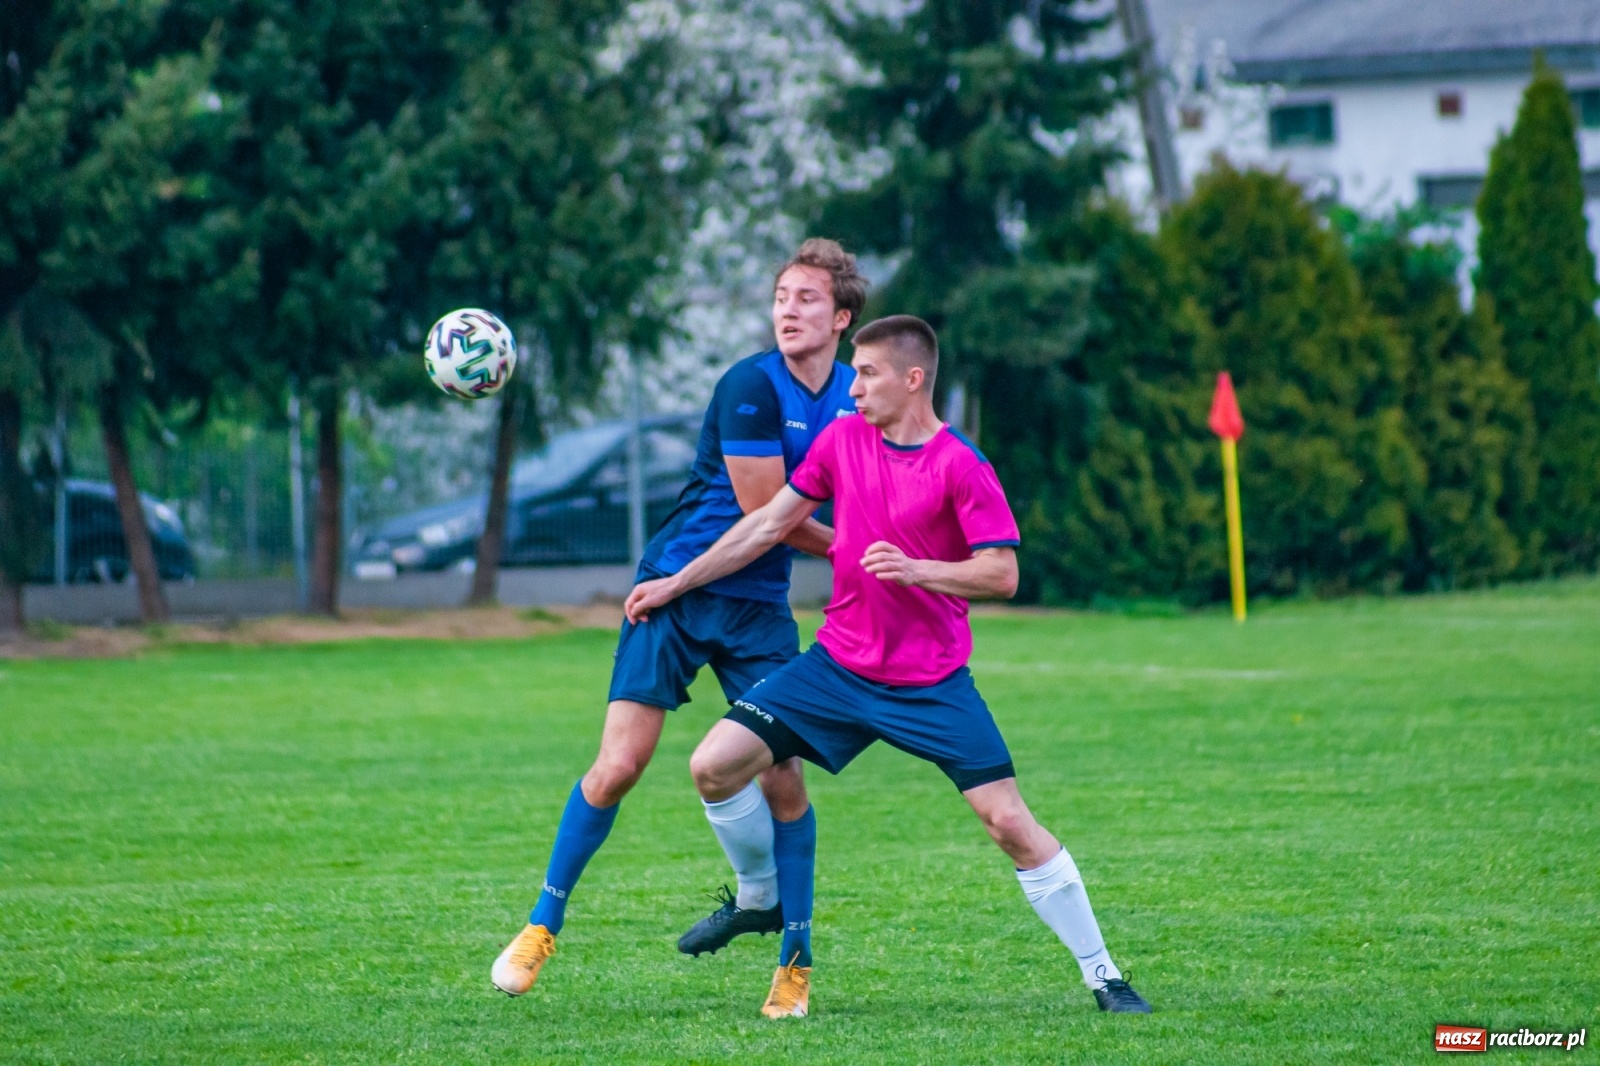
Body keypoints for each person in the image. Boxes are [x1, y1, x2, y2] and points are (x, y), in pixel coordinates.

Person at [623, 315, 1153, 1019]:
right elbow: (765, 524)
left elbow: (1001, 575)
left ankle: (1104, 974)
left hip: (930, 683)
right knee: (714, 764)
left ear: (913, 379)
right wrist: (675, 582)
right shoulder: (842, 442)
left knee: (1008, 823)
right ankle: (761, 897)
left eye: (867, 373)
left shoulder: (962, 464)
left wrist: (916, 570)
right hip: (836, 669)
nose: (854, 388)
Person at [491, 239, 868, 997]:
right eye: (781, 297)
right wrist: (860, 552)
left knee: (784, 780)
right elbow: (769, 513)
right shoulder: (751, 387)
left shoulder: (857, 396)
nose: (788, 311)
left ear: (843, 318)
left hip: (759, 609)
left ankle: (794, 964)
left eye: (806, 299)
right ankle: (541, 927)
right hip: (674, 590)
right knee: (618, 767)